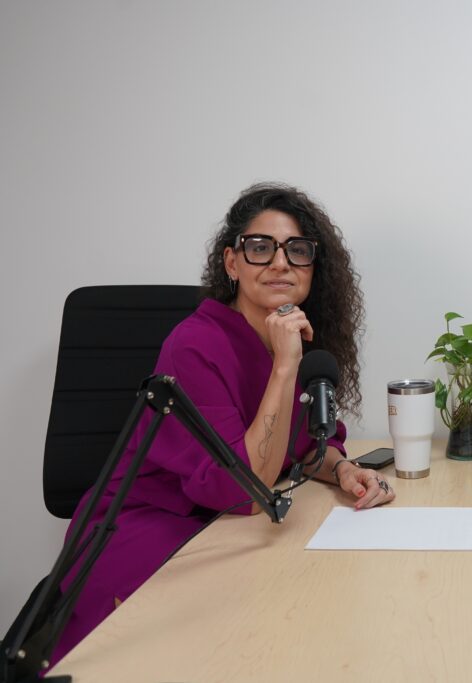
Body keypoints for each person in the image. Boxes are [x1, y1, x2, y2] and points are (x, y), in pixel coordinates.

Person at [52, 183, 394, 662]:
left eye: (297, 250)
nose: (281, 263)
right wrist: (284, 368)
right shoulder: (195, 345)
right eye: (260, 248)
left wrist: (342, 469)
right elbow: (246, 491)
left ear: (313, 268)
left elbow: (304, 444)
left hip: (228, 528)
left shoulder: (297, 336)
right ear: (232, 263)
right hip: (148, 527)